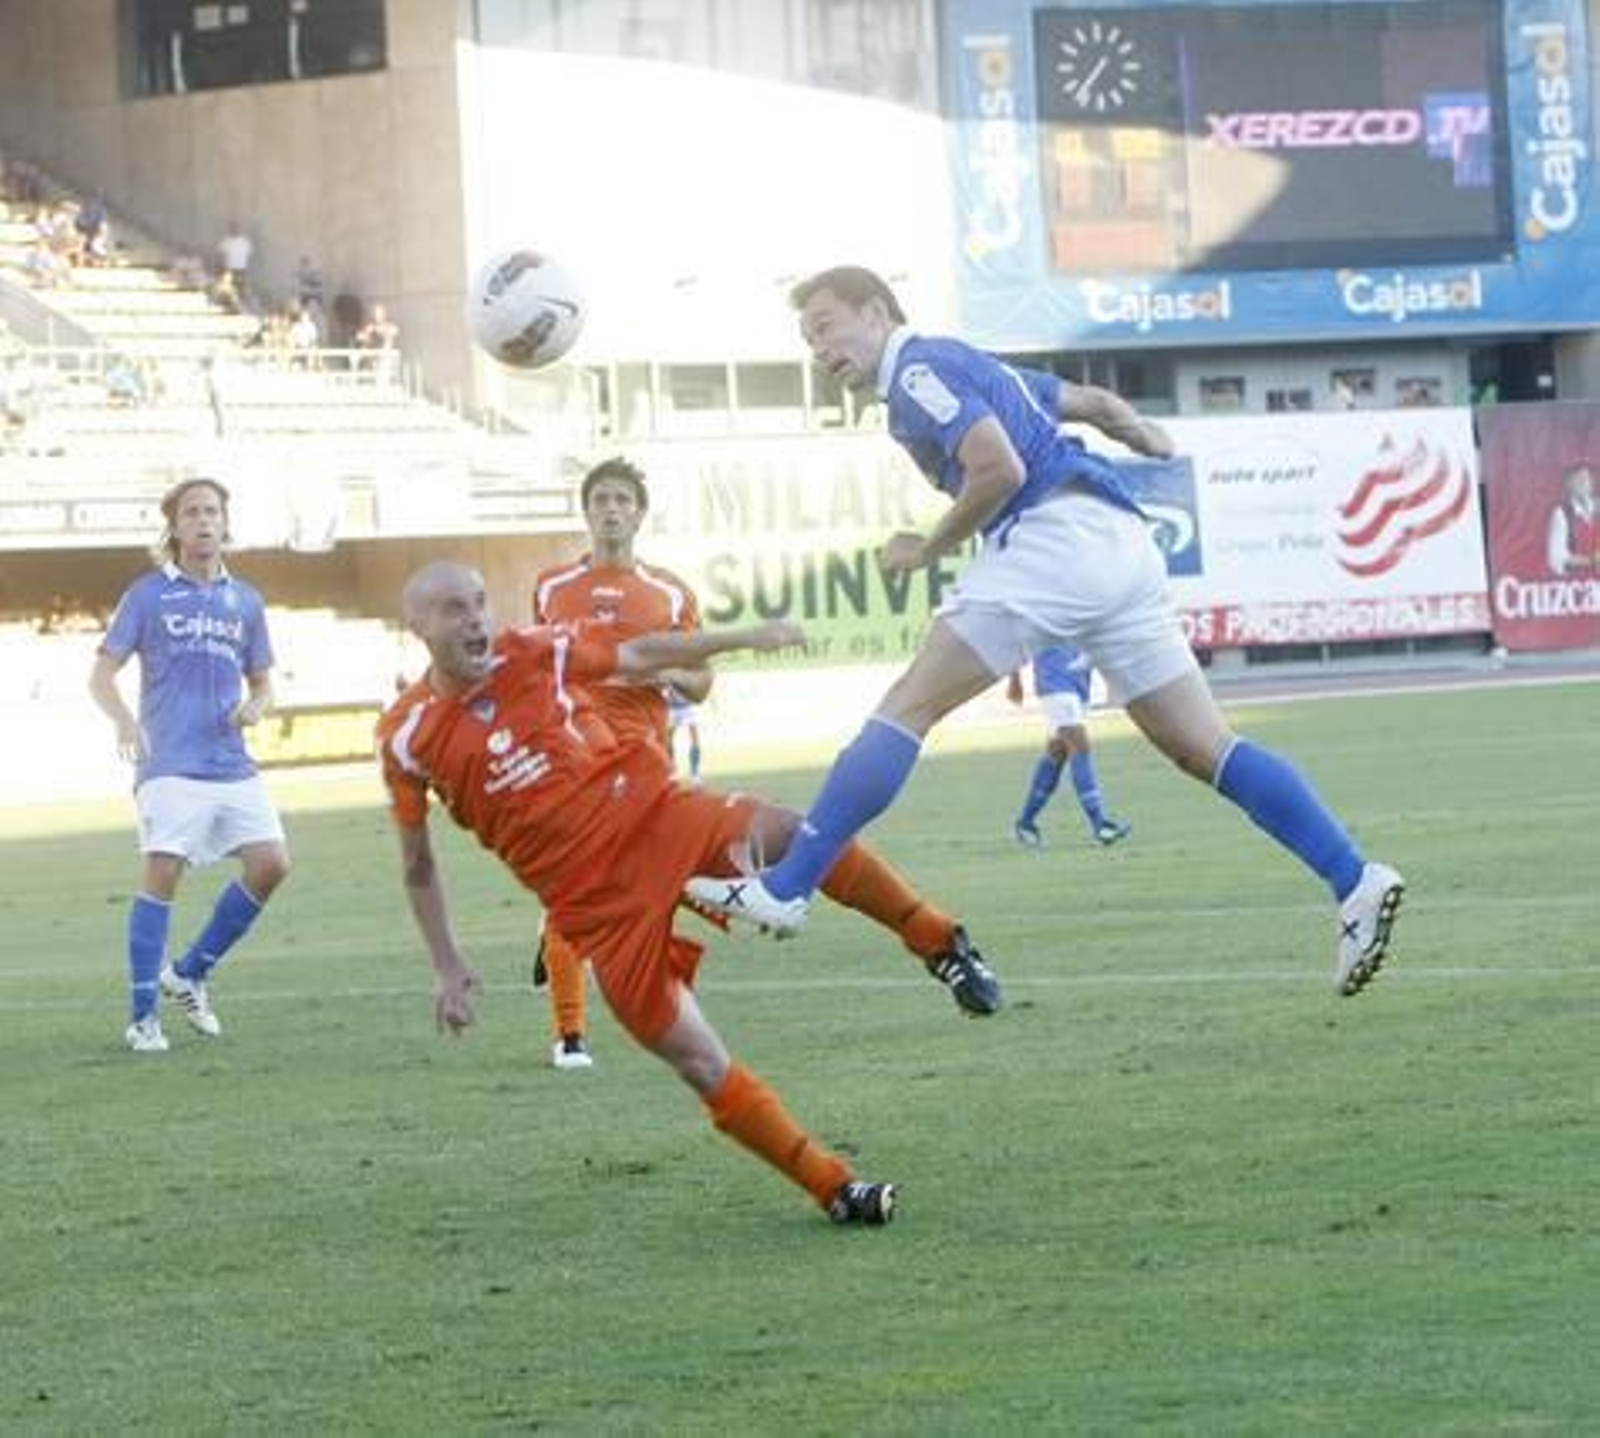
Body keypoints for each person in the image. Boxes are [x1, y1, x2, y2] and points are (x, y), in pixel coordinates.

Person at [689, 265, 1404, 998]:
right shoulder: (970, 362)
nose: (819, 349)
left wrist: (925, 549)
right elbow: (1091, 402)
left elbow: (996, 468)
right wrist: (1146, 434)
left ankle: (789, 884)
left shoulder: (915, 372)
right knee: (1204, 747)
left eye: (826, 326)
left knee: (908, 706)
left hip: (1052, 541)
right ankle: (1354, 878)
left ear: (876, 312)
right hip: (1120, 543)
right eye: (808, 338)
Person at [375, 562, 1000, 1224]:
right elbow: (417, 862)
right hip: (592, 905)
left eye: (479, 602)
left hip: (654, 816)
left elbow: (642, 651)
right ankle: (834, 1187)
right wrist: (446, 964)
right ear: (416, 626)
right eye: (453, 609)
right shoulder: (407, 738)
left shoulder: (534, 651)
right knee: (698, 1062)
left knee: (793, 833)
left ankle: (936, 939)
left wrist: (742, 637)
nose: (475, 618)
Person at [89, 478, 291, 1052]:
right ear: (174, 528)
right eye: (192, 513)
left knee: (272, 864)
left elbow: (263, 682)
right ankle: (142, 1017)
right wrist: (125, 721)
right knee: (164, 872)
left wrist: (256, 705)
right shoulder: (148, 594)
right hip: (169, 762)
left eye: (213, 512)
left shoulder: (245, 601)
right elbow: (101, 674)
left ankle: (191, 971)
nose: (204, 521)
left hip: (231, 762)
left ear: (226, 524)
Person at [528, 458, 704, 1070]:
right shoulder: (552, 587)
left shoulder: (670, 592)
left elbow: (702, 682)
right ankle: (570, 1034)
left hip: (646, 757)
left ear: (638, 512)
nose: (610, 509)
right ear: (586, 511)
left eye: (621, 500)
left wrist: (655, 667)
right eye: (600, 498)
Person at [1007, 643, 1130, 849]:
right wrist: (1015, 680)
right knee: (1080, 747)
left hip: (1078, 685)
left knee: (1057, 754)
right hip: (1054, 683)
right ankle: (1100, 824)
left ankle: (1026, 823)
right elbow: (1015, 638)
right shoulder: (1039, 610)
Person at [1545, 463, 1596, 577]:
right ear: (1569, 485)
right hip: (1577, 585)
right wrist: (1590, 561)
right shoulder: (1561, 513)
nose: (1583, 484)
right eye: (1578, 480)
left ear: (1592, 483)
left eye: (1586, 479)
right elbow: (1556, 559)